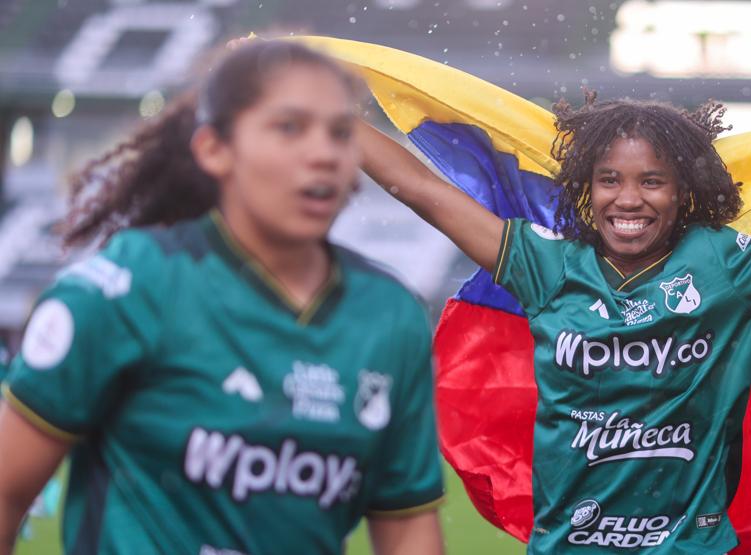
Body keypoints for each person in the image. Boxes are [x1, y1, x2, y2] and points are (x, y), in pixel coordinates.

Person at [0, 41, 445, 555]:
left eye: (341, 133)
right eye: (289, 127)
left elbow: (407, 528)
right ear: (215, 149)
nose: (324, 153)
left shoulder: (389, 316)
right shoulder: (129, 287)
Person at [357, 91, 751, 552]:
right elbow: (418, 186)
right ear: (586, 187)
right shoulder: (546, 267)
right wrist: (328, 120)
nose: (629, 200)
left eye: (652, 181)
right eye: (610, 180)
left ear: (683, 191)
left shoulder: (727, 265)